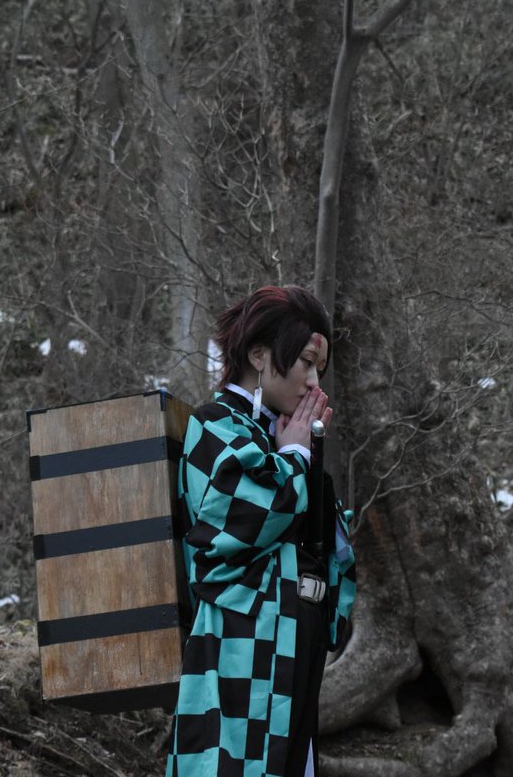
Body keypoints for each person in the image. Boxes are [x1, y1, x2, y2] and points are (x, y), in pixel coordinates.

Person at [166, 285, 356, 777]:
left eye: (320, 369)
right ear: (259, 355)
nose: (314, 382)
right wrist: (293, 457)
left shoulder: (278, 434)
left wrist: (298, 455)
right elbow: (246, 520)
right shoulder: (215, 425)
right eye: (306, 362)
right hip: (241, 640)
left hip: (292, 636)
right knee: (233, 763)